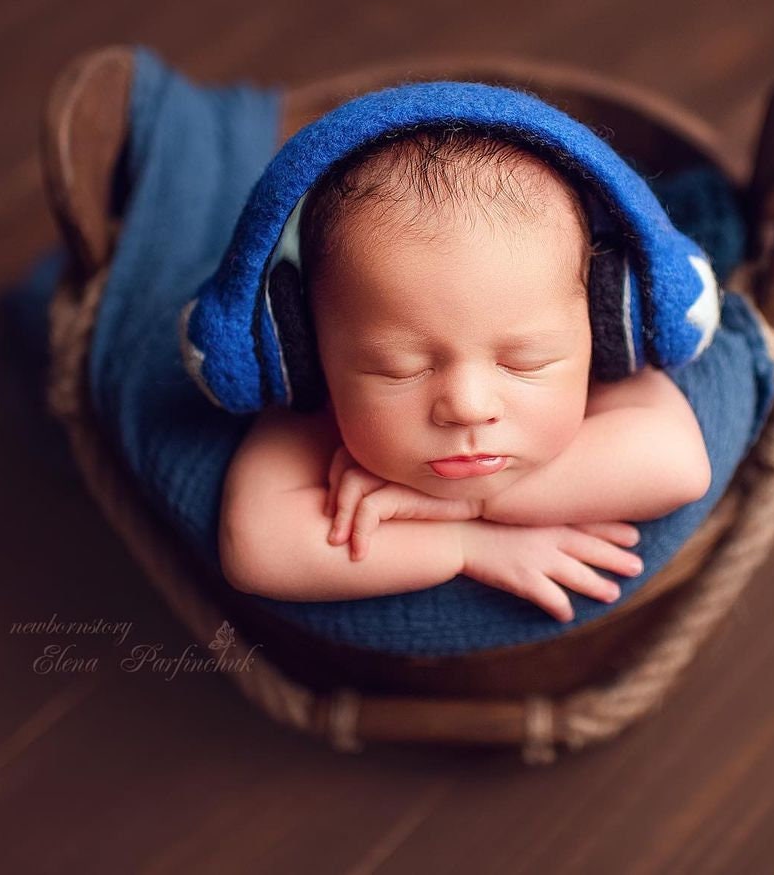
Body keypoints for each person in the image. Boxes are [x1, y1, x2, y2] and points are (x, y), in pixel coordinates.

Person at [216, 124, 712, 623]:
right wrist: (465, 544)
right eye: (398, 369)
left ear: (606, 324)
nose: (468, 406)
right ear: (301, 346)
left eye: (526, 363)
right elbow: (256, 549)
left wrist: (465, 504)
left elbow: (678, 466)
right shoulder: (315, 397)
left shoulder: (602, 365)